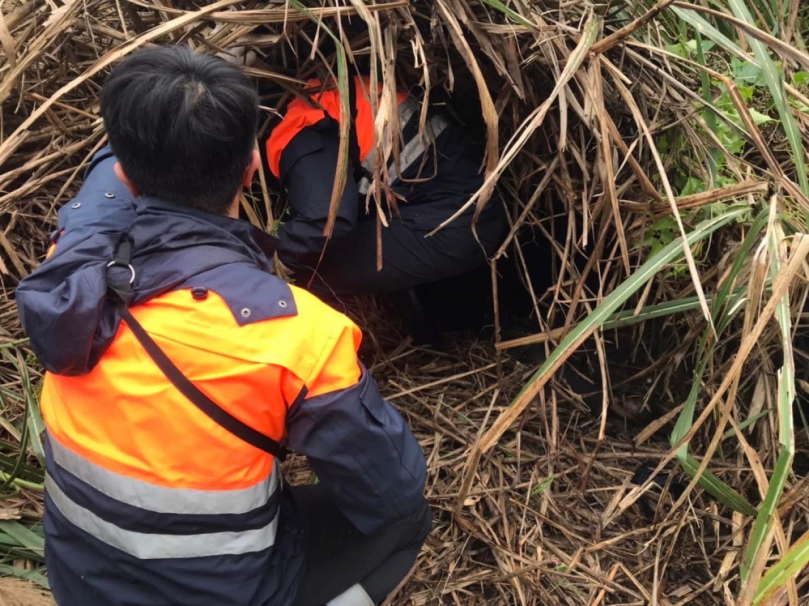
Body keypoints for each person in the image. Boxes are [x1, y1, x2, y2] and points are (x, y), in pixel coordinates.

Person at [16, 46, 430, 606]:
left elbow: (101, 189)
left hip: (82, 580)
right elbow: (390, 493)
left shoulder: (71, 271)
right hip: (227, 594)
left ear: (124, 175)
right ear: (253, 168)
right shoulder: (299, 336)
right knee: (407, 524)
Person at [264, 75, 508, 297]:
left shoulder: (296, 125)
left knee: (311, 269)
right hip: (460, 206)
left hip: (457, 219)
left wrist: (267, 262)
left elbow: (327, 218)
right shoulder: (325, 94)